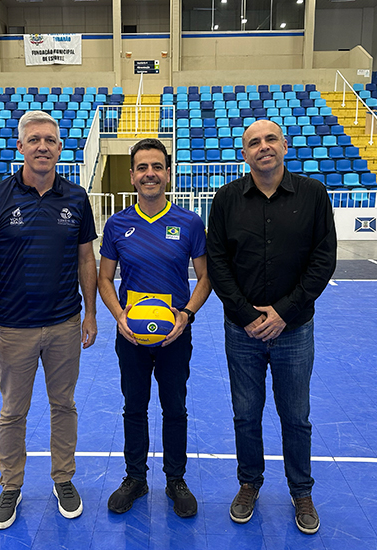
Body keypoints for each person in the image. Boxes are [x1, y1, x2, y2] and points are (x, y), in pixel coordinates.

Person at [0, 110, 98, 530]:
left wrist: (91, 313)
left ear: (60, 148)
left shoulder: (76, 197)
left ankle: (63, 479)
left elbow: (86, 259)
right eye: (35, 140)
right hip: (14, 327)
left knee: (64, 405)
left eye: (50, 140)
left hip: (65, 324)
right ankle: (11, 485)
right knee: (13, 411)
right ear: (20, 146)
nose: (43, 146)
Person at [206, 119, 336, 534]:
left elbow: (323, 260)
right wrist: (248, 315)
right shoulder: (226, 199)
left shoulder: (314, 195)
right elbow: (217, 263)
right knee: (246, 415)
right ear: (244, 153)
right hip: (241, 332)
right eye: (254, 142)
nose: (263, 146)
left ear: (285, 145)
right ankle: (249, 484)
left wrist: (282, 313)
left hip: (294, 330)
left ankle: (301, 491)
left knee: (296, 417)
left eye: (270, 139)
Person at [98, 138, 211, 518]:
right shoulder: (117, 224)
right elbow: (104, 279)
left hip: (174, 334)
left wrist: (187, 314)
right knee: (134, 406)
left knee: (174, 407)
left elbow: (205, 277)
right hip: (131, 335)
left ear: (168, 173)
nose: (150, 174)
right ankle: (135, 478)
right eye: (143, 168)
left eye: (157, 167)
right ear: (132, 176)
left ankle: (175, 479)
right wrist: (118, 315)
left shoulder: (189, 222)